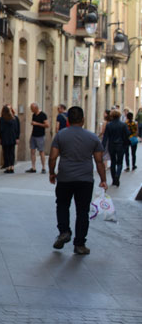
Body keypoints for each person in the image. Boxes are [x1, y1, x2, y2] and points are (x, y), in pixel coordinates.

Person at [48, 106, 107, 255]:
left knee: (62, 205)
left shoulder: (60, 135)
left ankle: (64, 232)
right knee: (82, 211)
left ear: (68, 120)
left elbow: (53, 157)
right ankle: (79, 244)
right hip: (85, 180)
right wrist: (103, 180)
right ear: (83, 120)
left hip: (65, 178)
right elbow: (99, 161)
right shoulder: (92, 137)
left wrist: (52, 173)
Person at [105, 108, 130, 186]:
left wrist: (102, 147)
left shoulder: (109, 125)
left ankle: (113, 179)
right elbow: (127, 134)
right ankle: (117, 176)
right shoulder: (123, 125)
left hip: (111, 145)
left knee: (113, 162)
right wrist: (126, 143)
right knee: (119, 162)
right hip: (120, 145)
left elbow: (106, 137)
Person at [26, 102, 49, 173]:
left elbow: (47, 125)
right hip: (33, 135)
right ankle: (33, 167)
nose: (31, 110)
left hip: (40, 136)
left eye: (32, 109)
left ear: (36, 108)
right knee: (32, 151)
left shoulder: (43, 115)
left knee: (41, 151)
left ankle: (43, 167)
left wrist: (36, 123)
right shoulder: (34, 115)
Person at [0, 105, 19, 173]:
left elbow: (1, 129)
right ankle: (12, 167)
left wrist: (0, 138)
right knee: (11, 153)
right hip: (12, 137)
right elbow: (16, 129)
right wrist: (17, 137)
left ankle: (8, 167)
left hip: (5, 138)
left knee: (6, 153)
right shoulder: (14, 118)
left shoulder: (2, 119)